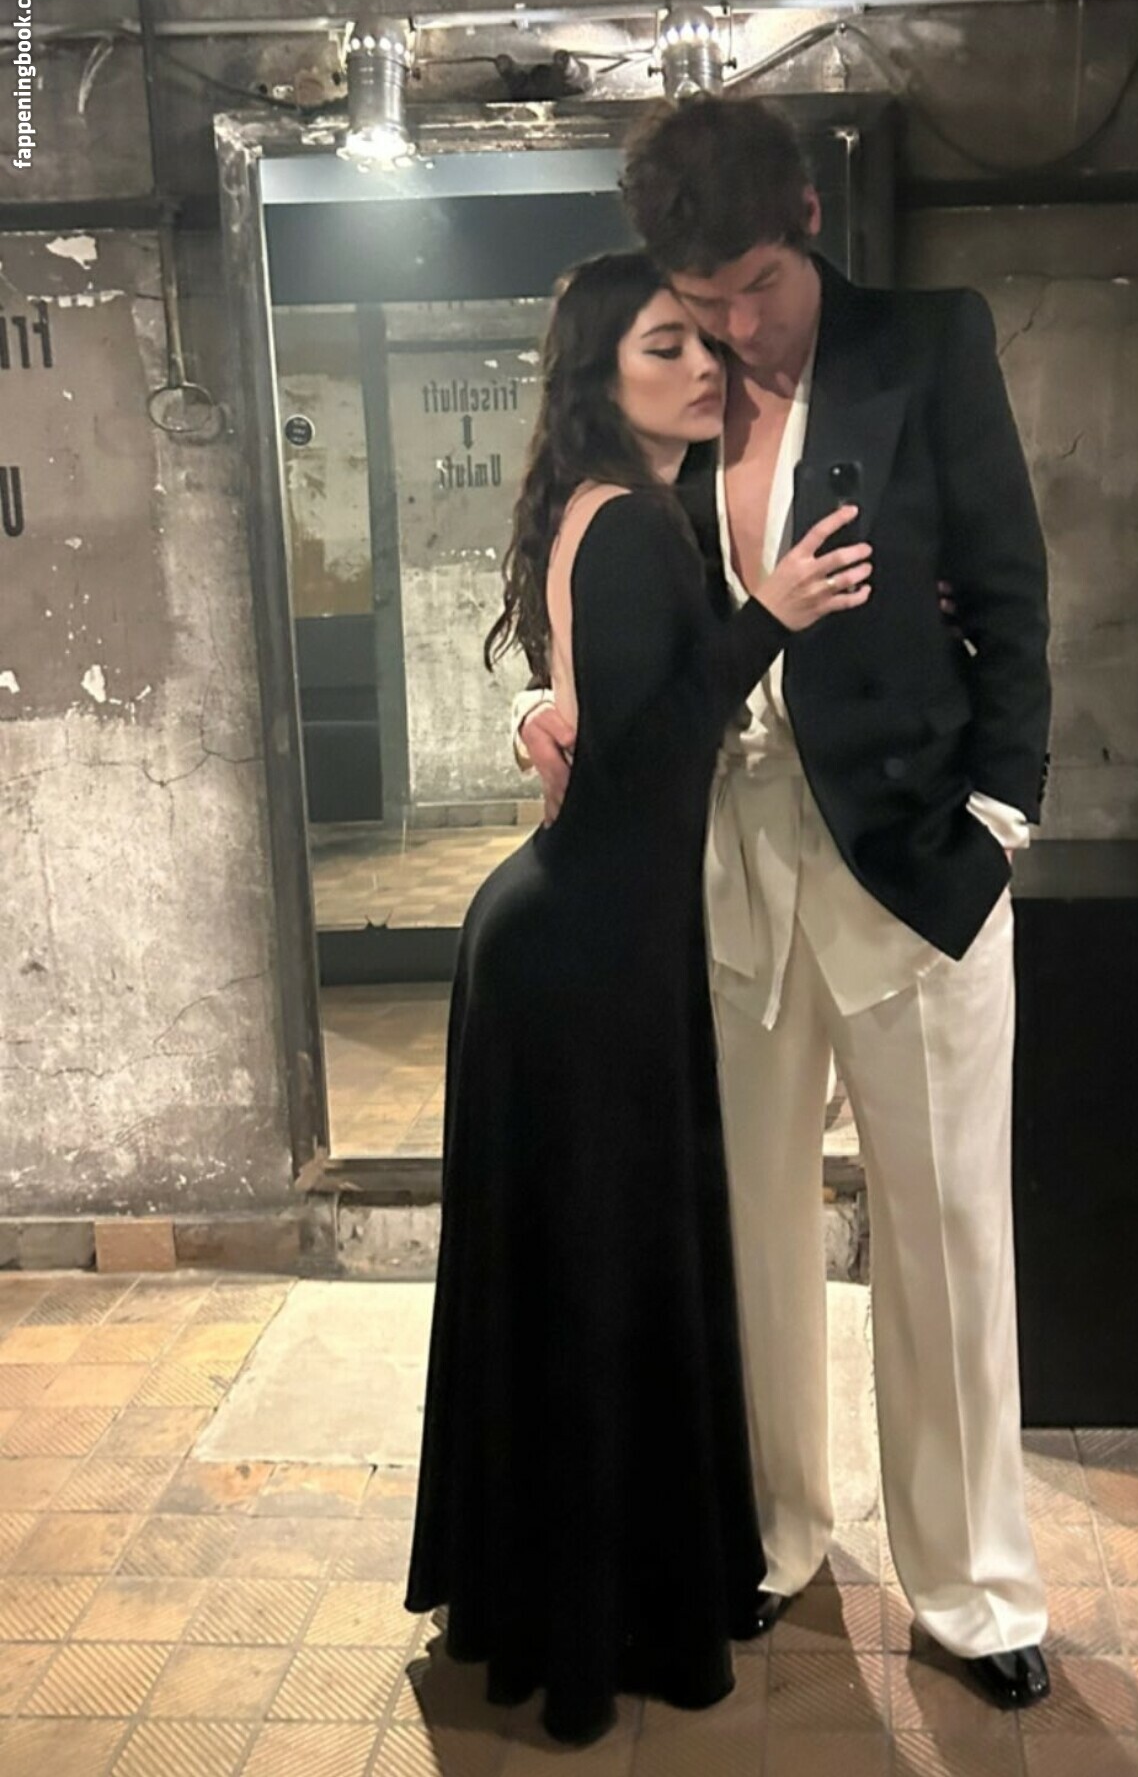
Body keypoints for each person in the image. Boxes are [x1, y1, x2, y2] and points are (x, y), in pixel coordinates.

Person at [515, 97, 1053, 1710]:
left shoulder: (926, 346)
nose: (735, 329)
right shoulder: (663, 380)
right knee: (744, 1231)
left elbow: (1013, 594)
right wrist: (545, 702)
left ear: (808, 219)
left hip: (912, 866)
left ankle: (975, 1590)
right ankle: (771, 1536)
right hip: (717, 872)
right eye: (703, 297)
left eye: (755, 285)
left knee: (946, 1242)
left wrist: (1000, 821)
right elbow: (578, 572)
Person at [404, 249, 874, 1747]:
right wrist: (772, 616)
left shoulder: (626, 513)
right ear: (600, 375)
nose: (703, 367)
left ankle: (574, 1604)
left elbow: (597, 718)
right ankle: (591, 1626)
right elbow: (643, 757)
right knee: (596, 1288)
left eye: (707, 346)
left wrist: (557, 712)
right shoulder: (626, 526)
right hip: (583, 956)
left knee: (590, 1285)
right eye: (666, 346)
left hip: (591, 941)